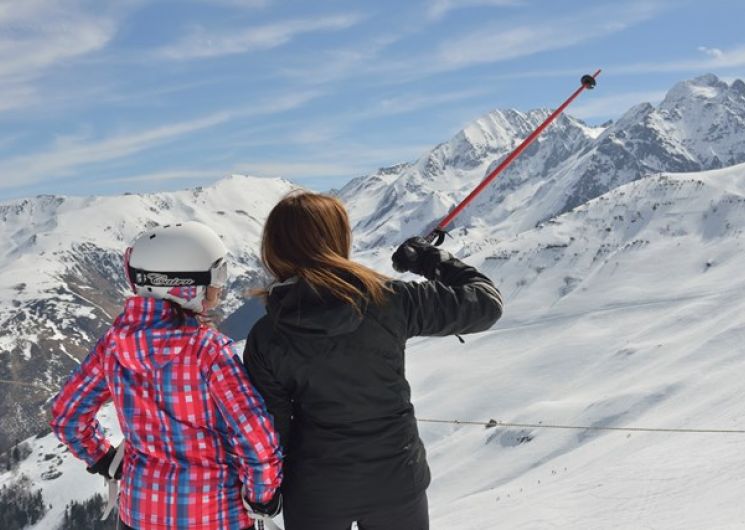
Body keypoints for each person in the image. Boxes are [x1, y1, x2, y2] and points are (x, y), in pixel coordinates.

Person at [243, 192, 503, 530]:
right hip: (396, 479)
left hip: (316, 492)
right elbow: (485, 304)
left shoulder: (266, 336)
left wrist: (268, 492)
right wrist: (429, 259)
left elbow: (274, 427)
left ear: (275, 247)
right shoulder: (391, 300)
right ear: (338, 239)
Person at [50, 222, 283, 530]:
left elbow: (68, 415)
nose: (221, 287)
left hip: (140, 515)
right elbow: (255, 436)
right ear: (185, 284)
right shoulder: (209, 352)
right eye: (217, 276)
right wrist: (262, 497)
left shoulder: (113, 346)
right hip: (216, 516)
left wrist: (103, 459)